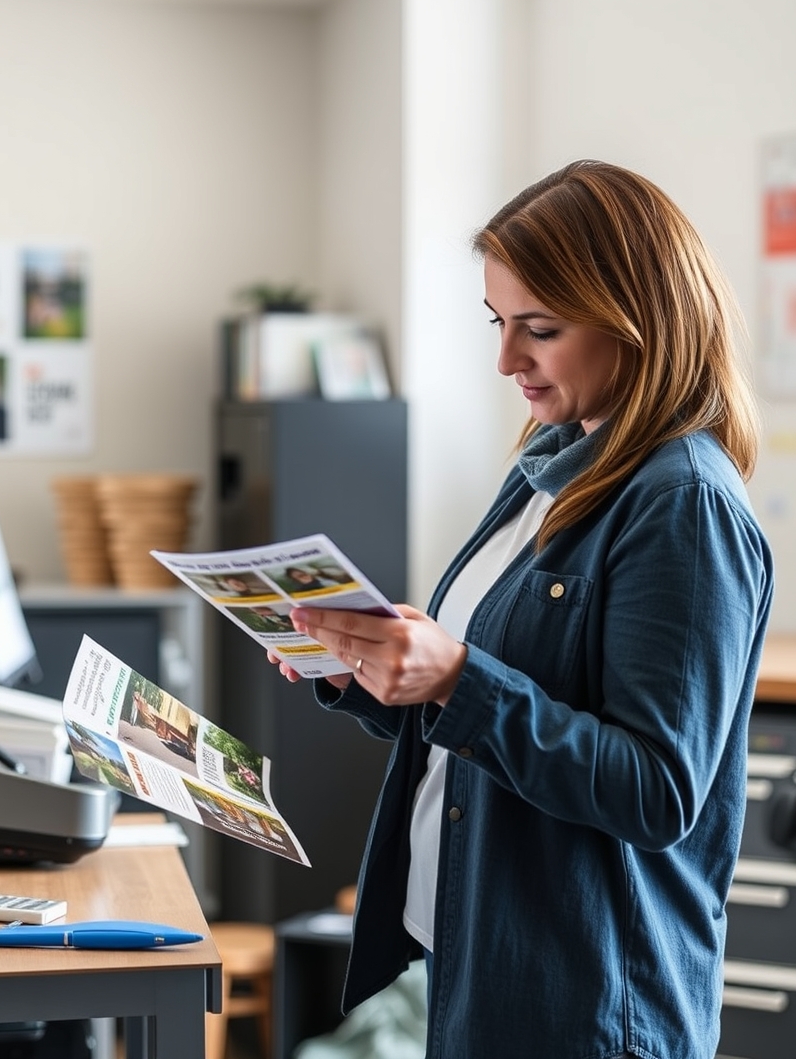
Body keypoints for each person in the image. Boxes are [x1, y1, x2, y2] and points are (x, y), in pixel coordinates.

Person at [268, 160, 775, 1059]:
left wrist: (457, 679)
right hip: (478, 970)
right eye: (500, 324)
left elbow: (656, 791)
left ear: (639, 320)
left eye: (539, 329)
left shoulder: (682, 503)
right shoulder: (551, 459)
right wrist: (379, 670)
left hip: (583, 1008)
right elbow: (504, 709)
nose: (506, 360)